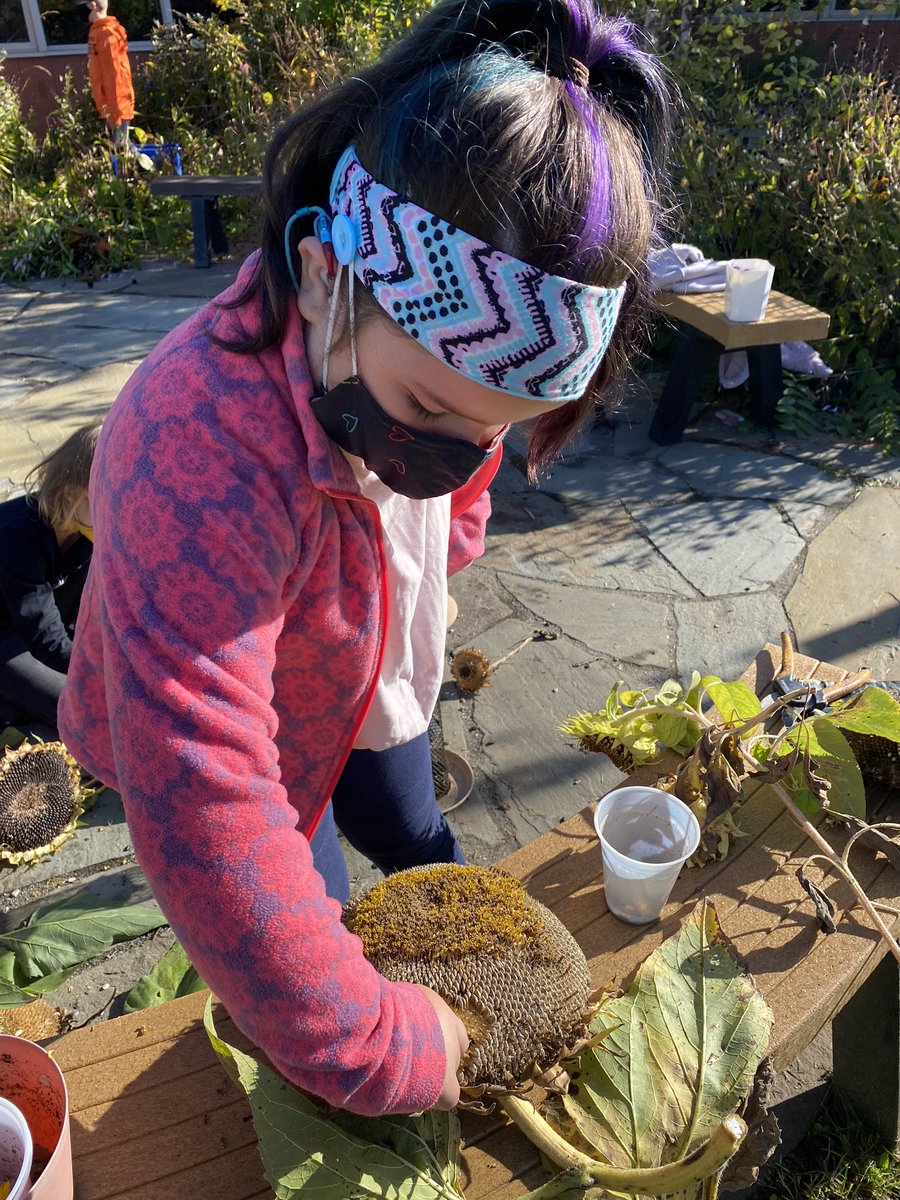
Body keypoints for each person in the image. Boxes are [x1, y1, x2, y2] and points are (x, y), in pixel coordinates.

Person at [59, 0, 673, 1117]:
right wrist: (375, 1043)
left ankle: (412, 853)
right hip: (257, 747)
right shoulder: (193, 448)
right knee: (310, 923)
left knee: (409, 821)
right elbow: (208, 802)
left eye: (487, 435)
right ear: (325, 272)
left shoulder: (407, 381)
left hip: (364, 667)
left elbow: (459, 475)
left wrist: (447, 523)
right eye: (423, 408)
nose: (444, 461)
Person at [0, 421, 101, 733]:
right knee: (84, 717)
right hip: (8, 635)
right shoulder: (16, 539)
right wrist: (103, 671)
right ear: (73, 496)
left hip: (39, 626)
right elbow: (43, 638)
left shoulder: (84, 529)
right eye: (107, 496)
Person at [77, 0, 135, 147]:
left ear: (92, 5)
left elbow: (115, 76)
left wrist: (114, 113)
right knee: (122, 148)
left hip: (116, 106)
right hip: (109, 104)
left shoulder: (107, 35)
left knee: (122, 148)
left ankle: (154, 167)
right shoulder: (98, 32)